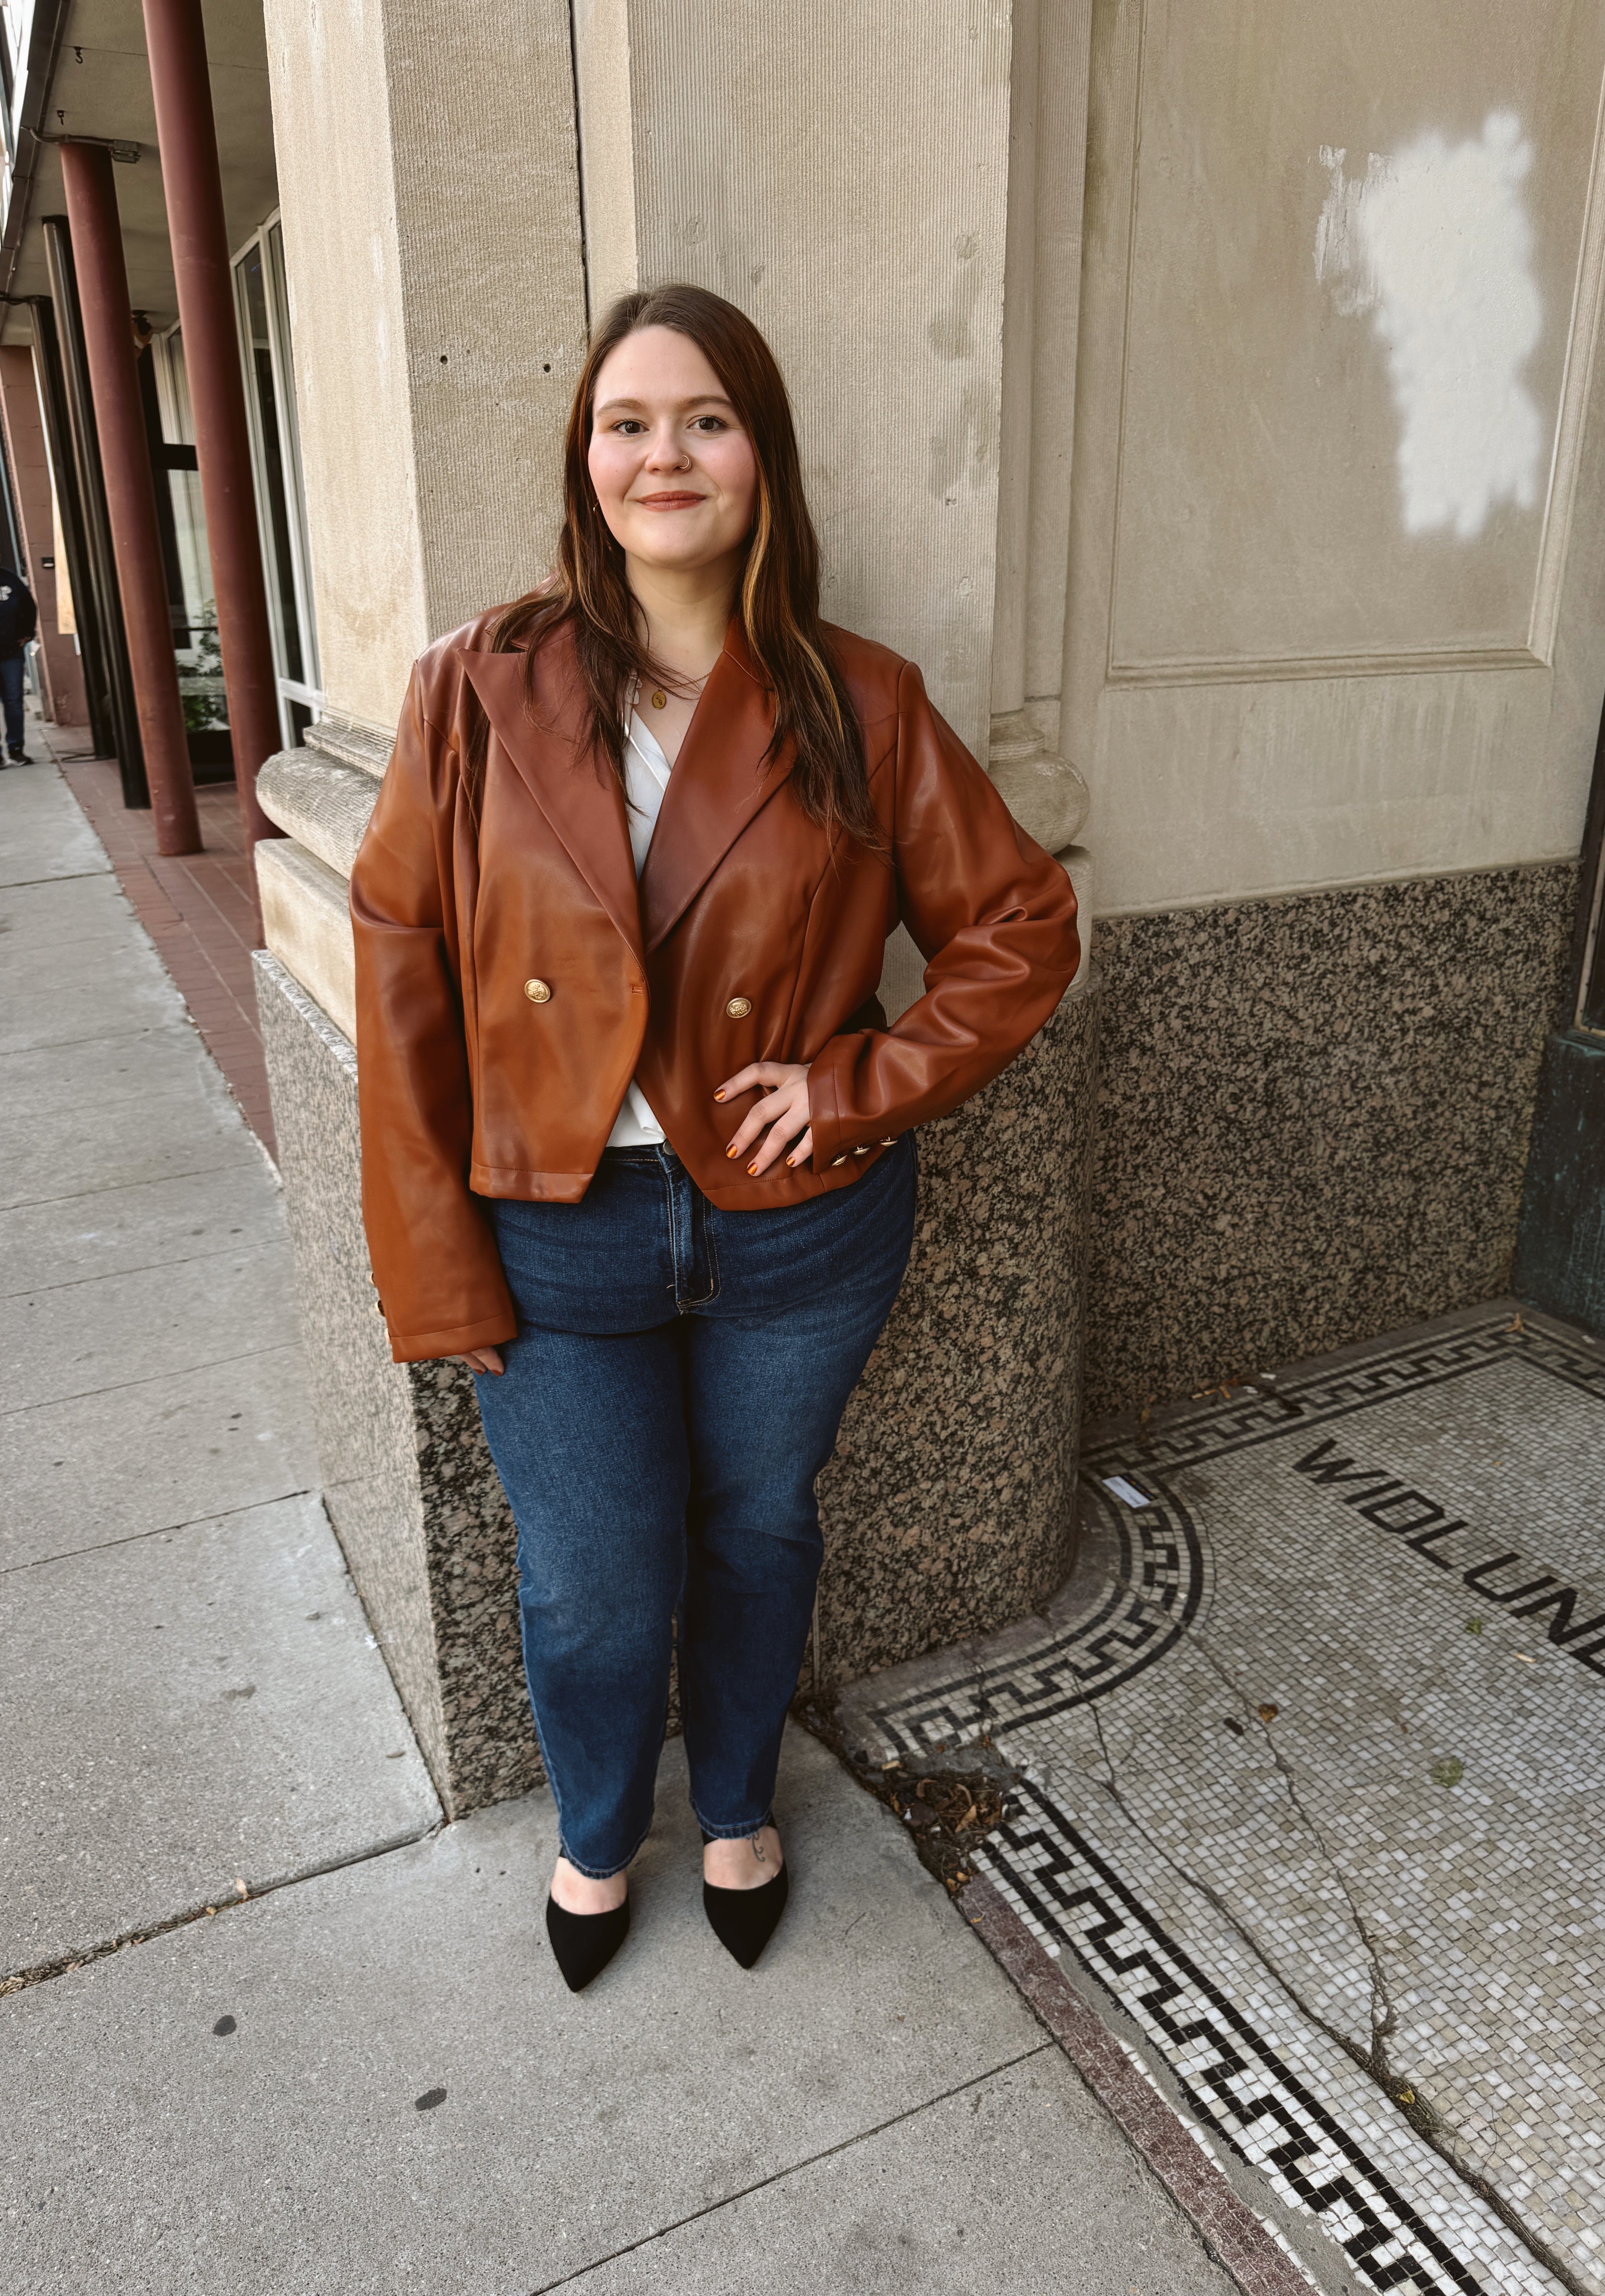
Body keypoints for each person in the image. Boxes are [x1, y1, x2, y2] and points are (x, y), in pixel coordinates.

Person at [349, 283, 1079, 1993]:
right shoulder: (478, 688)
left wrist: (860, 1081)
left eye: (704, 419)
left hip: (797, 1231)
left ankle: (739, 1803)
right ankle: (600, 1830)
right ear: (585, 460)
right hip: (558, 1226)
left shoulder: (860, 698)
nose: (661, 452)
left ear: (762, 458)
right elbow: (398, 970)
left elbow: (1022, 924)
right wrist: (435, 1260)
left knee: (758, 1529)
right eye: (627, 421)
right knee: (598, 1577)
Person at [0, 561, 37, 763]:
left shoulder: (10, 579)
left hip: (11, 653)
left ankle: (16, 749)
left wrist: (27, 634)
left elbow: (29, 605)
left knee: (14, 702)